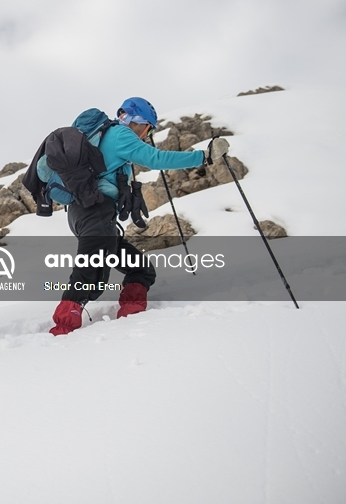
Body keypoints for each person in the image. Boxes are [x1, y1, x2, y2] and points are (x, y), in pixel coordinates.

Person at [48, 98, 229, 336]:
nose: (146, 135)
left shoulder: (105, 135)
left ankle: (131, 316)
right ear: (138, 122)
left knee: (141, 269)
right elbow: (157, 159)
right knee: (90, 273)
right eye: (148, 129)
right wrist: (204, 156)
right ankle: (62, 331)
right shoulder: (121, 135)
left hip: (84, 213)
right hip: (94, 214)